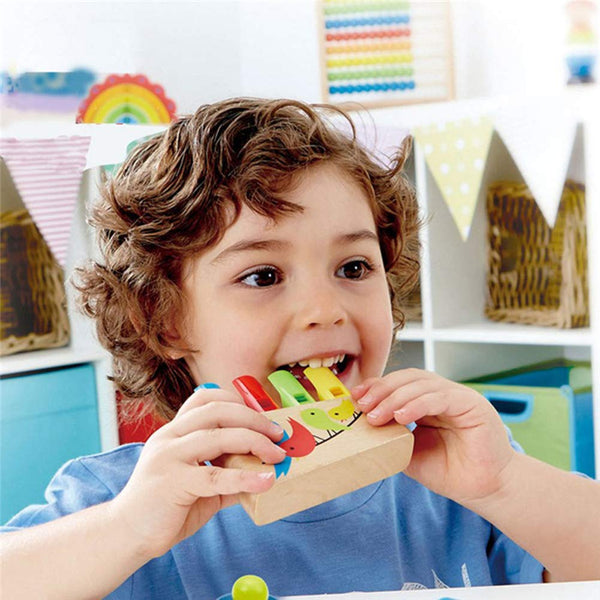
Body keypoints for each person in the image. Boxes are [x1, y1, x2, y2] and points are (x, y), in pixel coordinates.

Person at [1, 98, 599, 600]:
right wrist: (124, 528)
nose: (326, 309)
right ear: (165, 320)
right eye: (263, 276)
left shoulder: (458, 476)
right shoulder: (122, 499)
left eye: (354, 266)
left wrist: (504, 485)